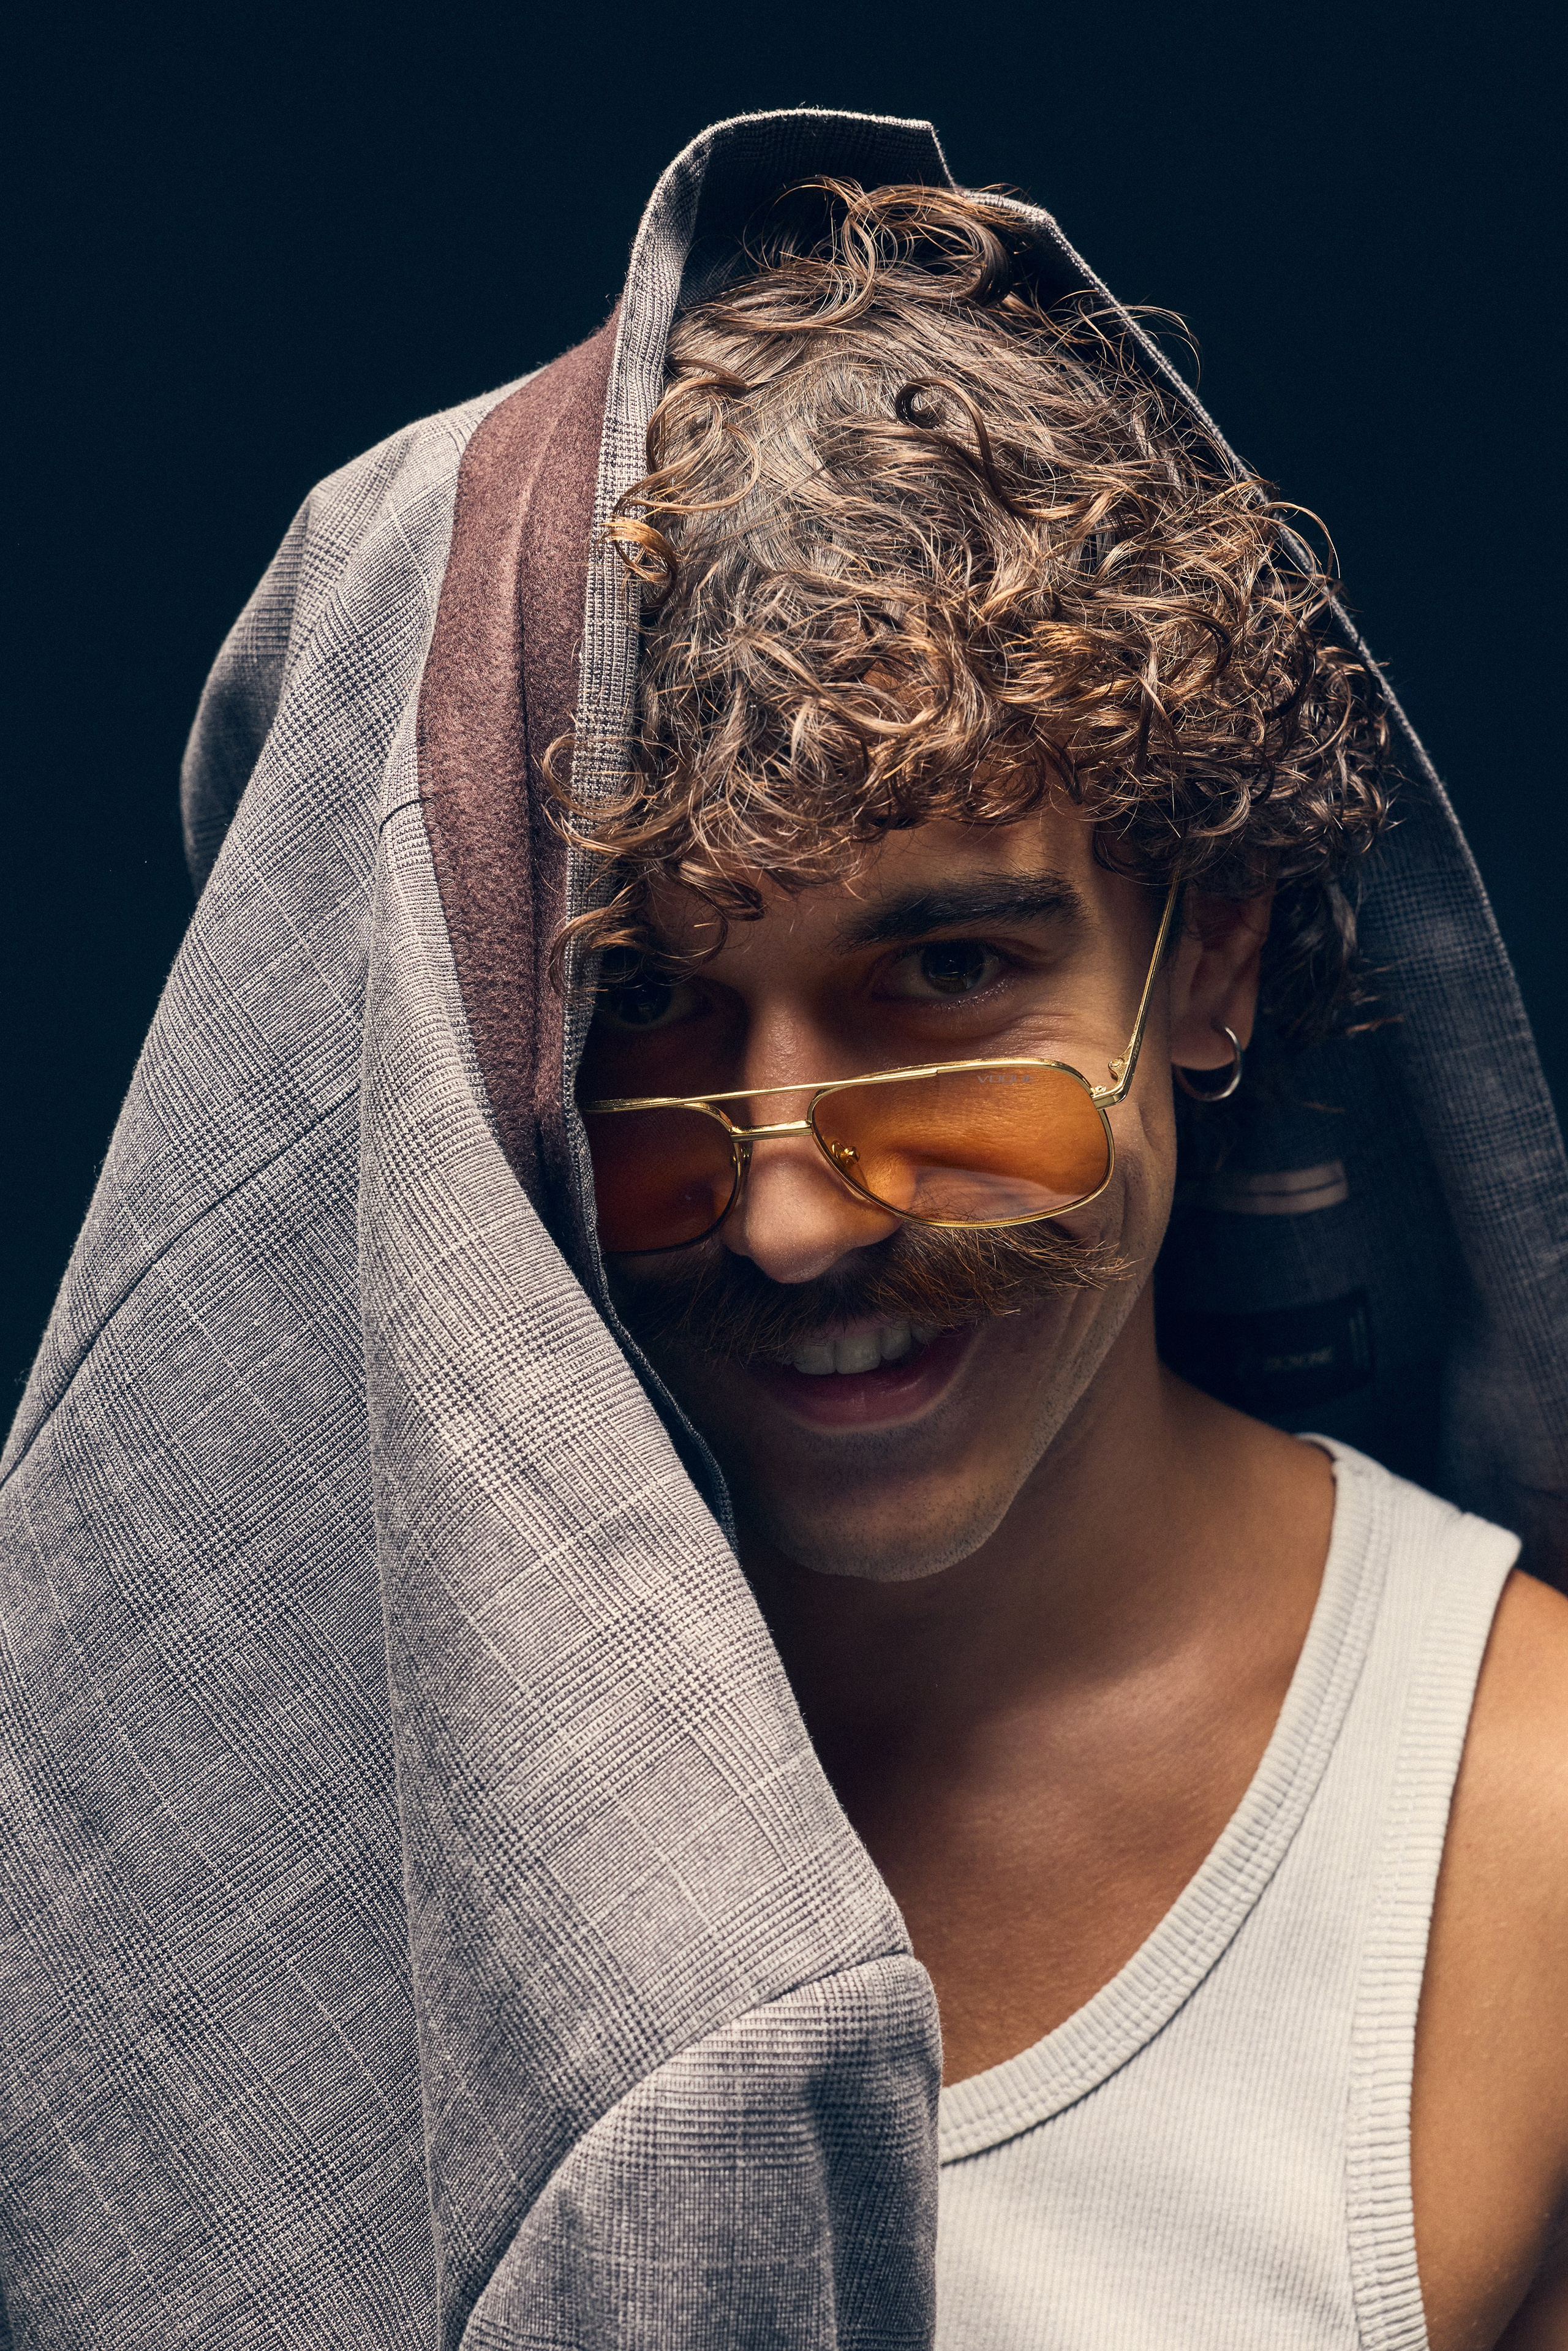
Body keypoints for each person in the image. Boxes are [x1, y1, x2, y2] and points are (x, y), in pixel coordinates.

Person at [1, 107, 1564, 2351]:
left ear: (1208, 953)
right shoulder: (218, 1853)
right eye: (640, 1016)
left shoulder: (1521, 1852)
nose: (800, 1210)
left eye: (945, 980)